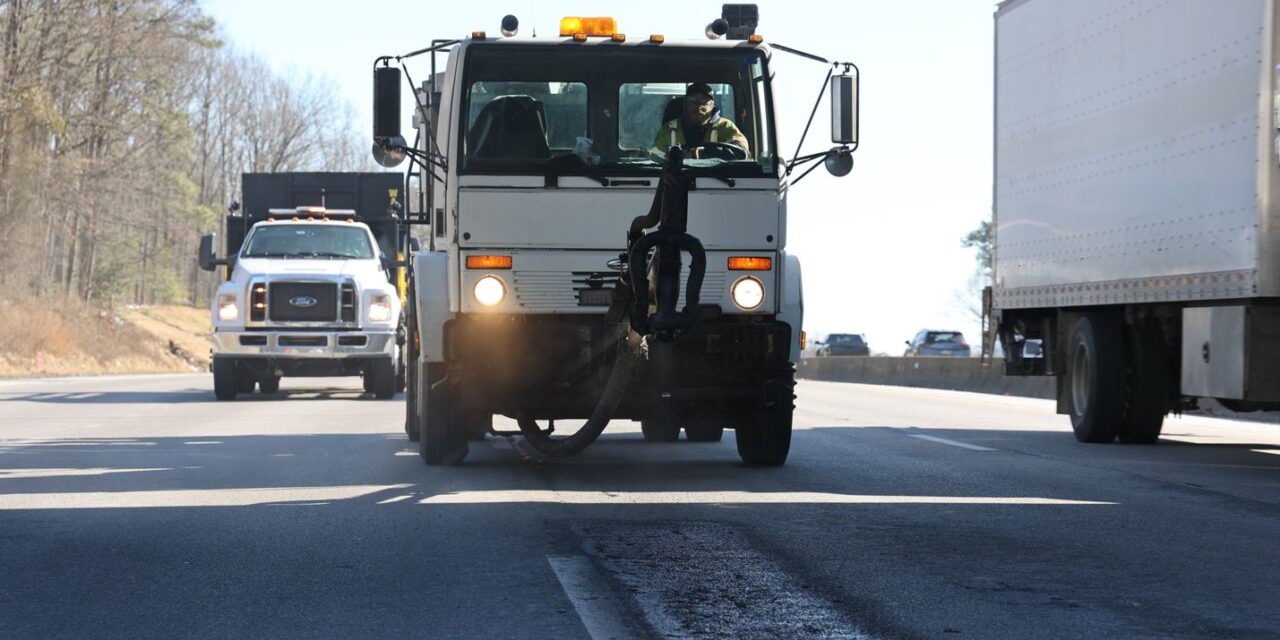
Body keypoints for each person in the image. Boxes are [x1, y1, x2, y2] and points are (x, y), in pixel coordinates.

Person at [651, 83, 750, 159]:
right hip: (677, 178)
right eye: (693, 102)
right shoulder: (669, 129)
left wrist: (709, 152)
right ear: (685, 104)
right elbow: (654, 157)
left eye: (704, 102)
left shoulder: (725, 126)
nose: (698, 107)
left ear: (712, 105)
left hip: (718, 178)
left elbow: (742, 150)